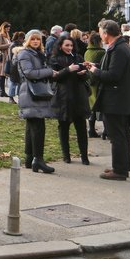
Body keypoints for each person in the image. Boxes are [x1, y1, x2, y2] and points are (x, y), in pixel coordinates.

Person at [84, 20, 130, 181]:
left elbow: (113, 76)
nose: (100, 36)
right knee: (123, 134)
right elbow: (112, 68)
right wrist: (96, 65)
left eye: (100, 32)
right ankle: (122, 166)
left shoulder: (119, 49)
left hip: (115, 100)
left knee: (117, 135)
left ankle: (119, 170)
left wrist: (94, 70)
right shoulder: (120, 46)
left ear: (106, 33)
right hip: (119, 99)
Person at [15, 30, 61, 173]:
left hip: (34, 93)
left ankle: (30, 158)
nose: (36, 41)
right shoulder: (24, 54)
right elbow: (29, 73)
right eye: (33, 39)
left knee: (32, 127)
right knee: (38, 127)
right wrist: (49, 72)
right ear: (28, 40)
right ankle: (38, 160)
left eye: (38, 39)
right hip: (30, 93)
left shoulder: (37, 54)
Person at [50, 36, 91, 165]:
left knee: (81, 128)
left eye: (71, 45)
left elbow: (86, 75)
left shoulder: (78, 57)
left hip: (79, 96)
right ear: (60, 45)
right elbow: (54, 77)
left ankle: (84, 156)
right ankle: (66, 155)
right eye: (67, 45)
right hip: (63, 97)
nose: (69, 48)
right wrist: (68, 70)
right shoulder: (54, 59)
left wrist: (83, 73)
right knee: (63, 128)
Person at [83, 32, 106, 137]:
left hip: (89, 81)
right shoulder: (101, 52)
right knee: (102, 106)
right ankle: (106, 130)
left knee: (91, 106)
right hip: (98, 81)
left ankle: (91, 129)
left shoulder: (87, 52)